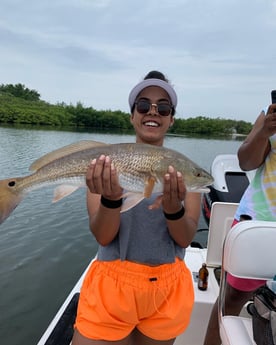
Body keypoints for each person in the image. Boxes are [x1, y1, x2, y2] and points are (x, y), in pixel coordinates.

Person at [71, 71, 201, 345]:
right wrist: (110, 199)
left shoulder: (185, 171)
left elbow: (185, 238)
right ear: (132, 115)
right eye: (143, 105)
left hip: (166, 292)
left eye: (163, 107)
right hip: (111, 287)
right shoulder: (105, 165)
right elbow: (103, 236)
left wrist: (172, 208)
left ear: (171, 118)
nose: (153, 112)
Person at [204, 101, 276, 345]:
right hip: (258, 222)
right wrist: (264, 132)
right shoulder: (268, 116)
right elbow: (245, 162)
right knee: (230, 300)